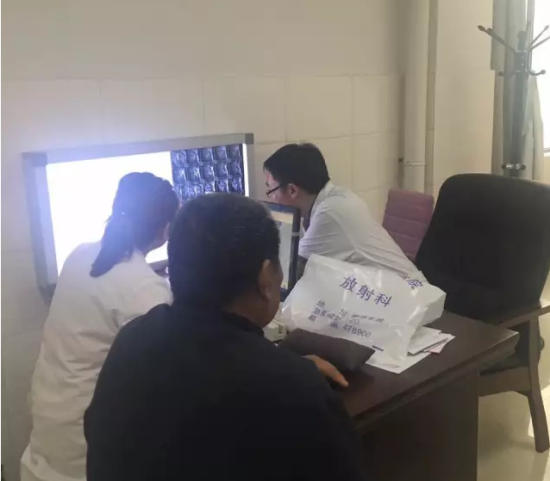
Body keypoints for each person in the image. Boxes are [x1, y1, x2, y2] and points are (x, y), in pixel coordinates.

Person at [84, 194, 367, 481]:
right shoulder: (294, 389)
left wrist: (285, 367)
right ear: (265, 278)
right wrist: (292, 373)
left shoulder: (131, 340)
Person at [21, 173, 180, 481]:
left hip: (48, 423)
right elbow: (160, 379)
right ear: (165, 230)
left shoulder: (80, 254)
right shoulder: (145, 288)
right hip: (87, 442)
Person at [264, 143, 423, 279]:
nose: (271, 198)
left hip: (408, 297)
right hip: (387, 292)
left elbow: (289, 273)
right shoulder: (333, 199)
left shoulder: (330, 213)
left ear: (292, 190)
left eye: (271, 190)